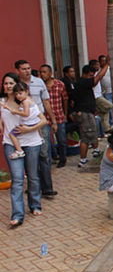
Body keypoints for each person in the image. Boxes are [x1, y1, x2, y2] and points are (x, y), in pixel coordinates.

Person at [1, 73, 48, 226]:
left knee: (33, 176)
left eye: (11, 83)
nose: (8, 86)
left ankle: (35, 205)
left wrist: (30, 129)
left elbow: (43, 120)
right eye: (5, 83)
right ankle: (17, 215)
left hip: (31, 143)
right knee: (17, 179)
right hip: (10, 144)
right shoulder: (1, 102)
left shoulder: (26, 101)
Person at [15, 60, 58, 199]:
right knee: (28, 155)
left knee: (44, 154)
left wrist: (53, 120)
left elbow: (46, 101)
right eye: (23, 69)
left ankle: (47, 188)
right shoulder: (13, 84)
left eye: (29, 68)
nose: (27, 71)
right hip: (22, 124)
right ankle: (34, 186)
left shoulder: (39, 82)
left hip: (40, 123)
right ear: (17, 71)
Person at [75, 65, 106, 167]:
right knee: (86, 137)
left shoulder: (81, 83)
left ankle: (96, 150)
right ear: (85, 74)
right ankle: (83, 159)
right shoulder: (83, 82)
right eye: (90, 75)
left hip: (88, 112)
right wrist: (106, 65)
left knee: (92, 132)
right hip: (85, 114)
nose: (92, 78)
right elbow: (97, 79)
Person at [39, 64, 68, 169]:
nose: (42, 74)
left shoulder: (59, 84)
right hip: (45, 117)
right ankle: (49, 159)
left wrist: (65, 113)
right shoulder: (39, 85)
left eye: (44, 72)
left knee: (61, 139)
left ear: (50, 73)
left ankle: (63, 158)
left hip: (59, 115)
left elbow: (65, 99)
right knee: (46, 140)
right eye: (41, 72)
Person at [5, 82, 42, 160]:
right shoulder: (30, 100)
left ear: (27, 91)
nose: (18, 96)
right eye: (16, 94)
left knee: (11, 134)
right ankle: (41, 138)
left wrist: (16, 112)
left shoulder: (25, 102)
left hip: (28, 124)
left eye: (20, 93)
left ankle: (19, 151)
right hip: (34, 122)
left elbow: (26, 114)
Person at [89, 59, 112, 133]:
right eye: (97, 65)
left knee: (104, 112)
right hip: (96, 97)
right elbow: (101, 75)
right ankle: (98, 111)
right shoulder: (93, 75)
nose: (98, 66)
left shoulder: (96, 73)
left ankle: (106, 128)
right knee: (109, 105)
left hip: (100, 94)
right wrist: (107, 64)